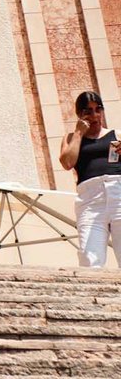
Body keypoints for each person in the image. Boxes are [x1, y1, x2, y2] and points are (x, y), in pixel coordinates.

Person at [59, 90, 121, 268]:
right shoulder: (71, 138)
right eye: (88, 111)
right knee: (89, 255)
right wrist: (79, 133)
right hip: (90, 198)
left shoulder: (117, 134)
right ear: (79, 115)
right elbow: (67, 162)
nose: (94, 115)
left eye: (97, 109)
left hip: (118, 190)